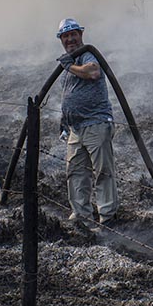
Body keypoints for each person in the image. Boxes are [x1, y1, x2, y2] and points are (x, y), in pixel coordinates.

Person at [56, 18, 119, 224]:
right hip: (76, 128)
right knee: (75, 172)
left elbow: (92, 72)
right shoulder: (71, 63)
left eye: (73, 34)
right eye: (65, 36)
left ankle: (107, 217)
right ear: (61, 40)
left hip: (96, 123)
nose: (70, 39)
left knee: (103, 172)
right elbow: (69, 95)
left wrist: (70, 66)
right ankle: (81, 215)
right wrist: (65, 122)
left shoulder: (87, 54)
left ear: (80, 35)